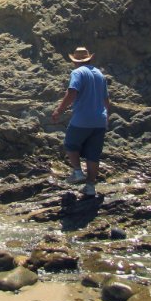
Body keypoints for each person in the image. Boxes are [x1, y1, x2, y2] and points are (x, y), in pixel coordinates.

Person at [51, 46, 110, 196]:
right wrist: (106, 118)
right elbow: (106, 99)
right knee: (93, 154)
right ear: (89, 58)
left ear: (75, 61)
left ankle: (77, 171)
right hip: (100, 120)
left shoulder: (77, 72)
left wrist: (59, 110)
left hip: (82, 119)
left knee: (70, 144)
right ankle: (90, 186)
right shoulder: (100, 74)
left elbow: (72, 92)